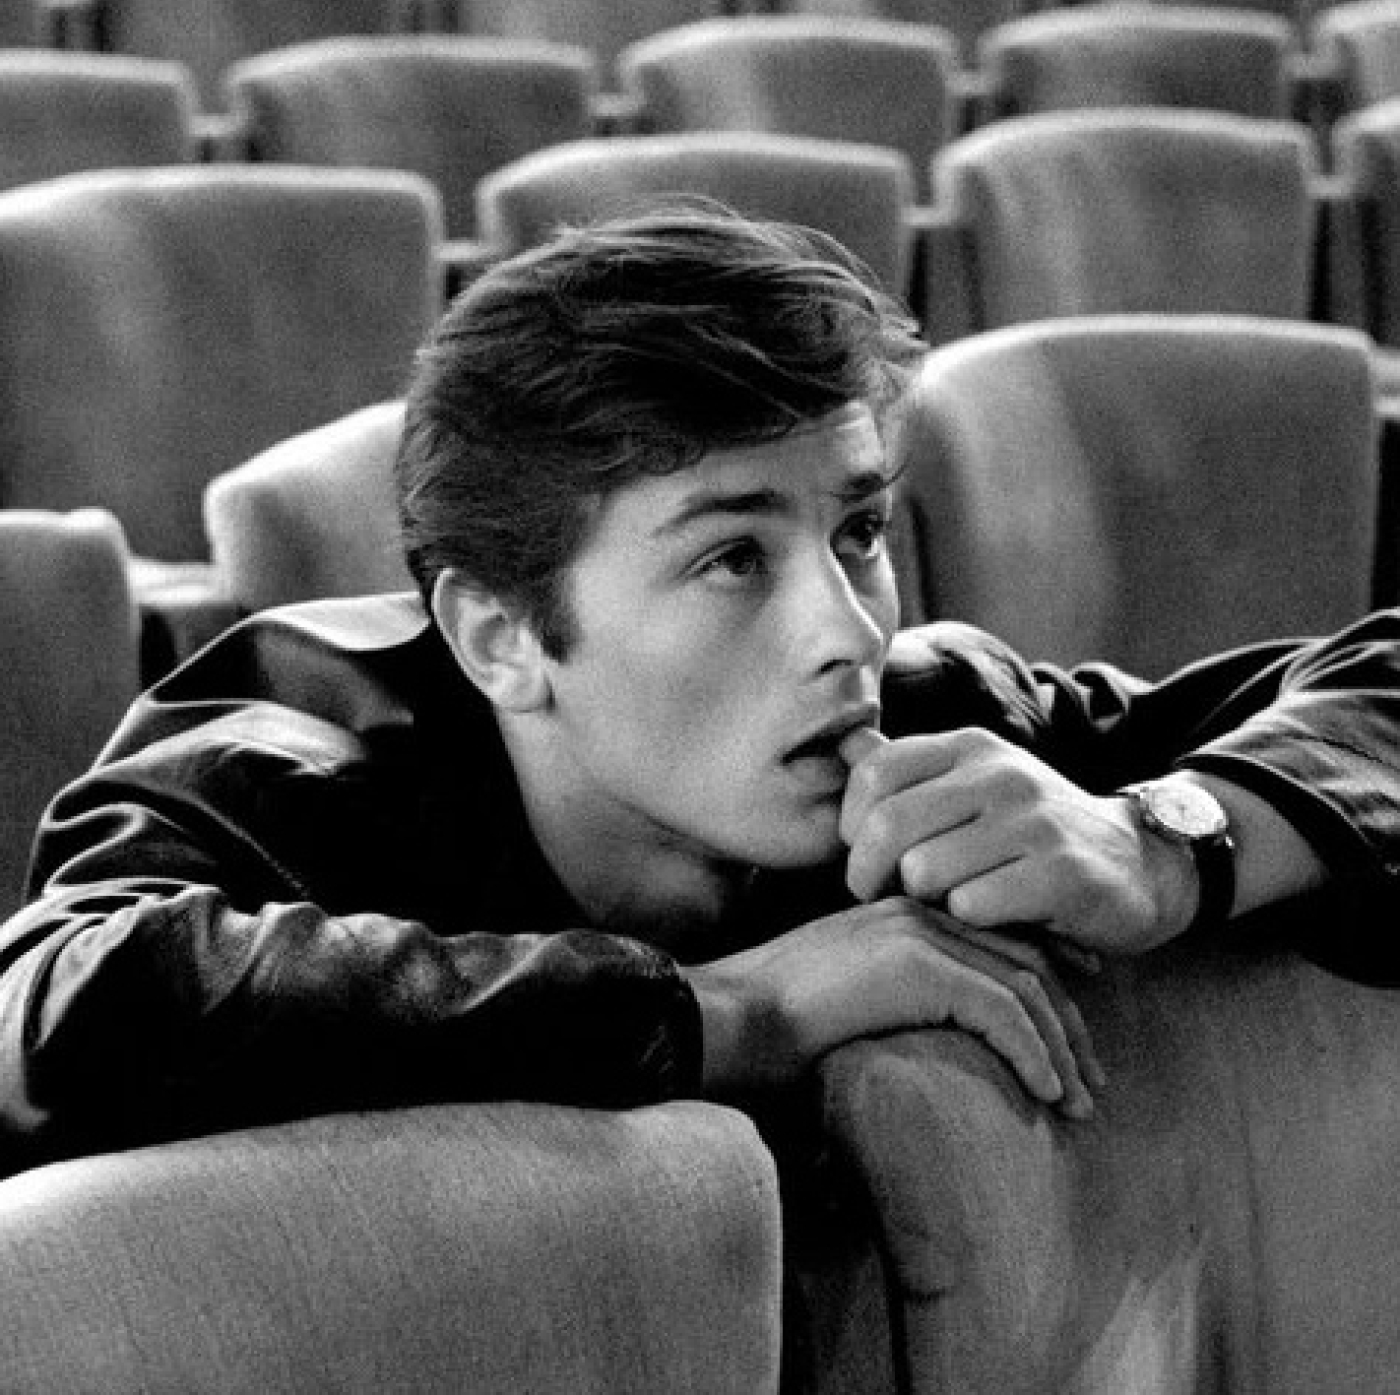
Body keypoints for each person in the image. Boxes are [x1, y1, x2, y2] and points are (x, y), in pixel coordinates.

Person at [2, 204, 1398, 1178]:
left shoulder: (928, 722)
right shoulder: (288, 746)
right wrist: (727, 1011)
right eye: (734, 558)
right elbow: (53, 1008)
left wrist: (1166, 845)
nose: (847, 631)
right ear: (499, 637)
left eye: (859, 530)